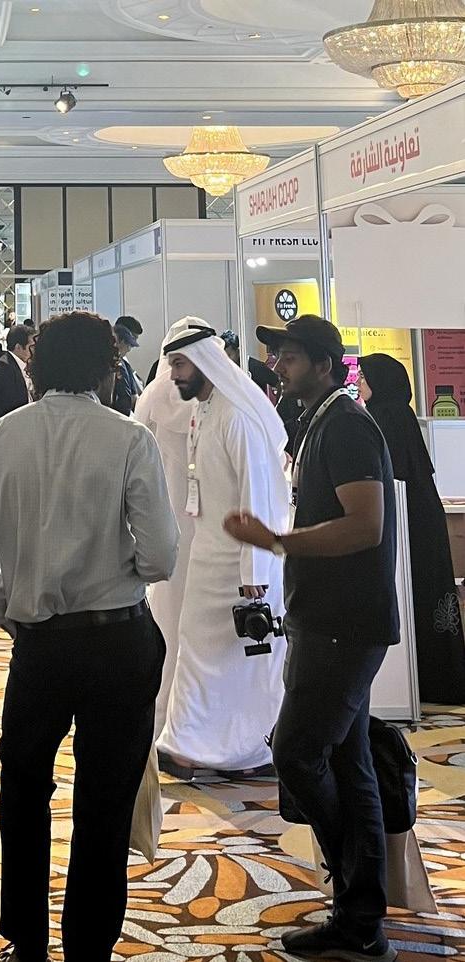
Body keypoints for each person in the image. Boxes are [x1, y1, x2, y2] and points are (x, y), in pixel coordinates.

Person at [0, 312, 178, 962]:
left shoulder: (1, 437)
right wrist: (117, 567)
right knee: (105, 800)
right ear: (107, 370)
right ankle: (89, 947)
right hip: (118, 640)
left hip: (38, 644)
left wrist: (7, 612)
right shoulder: (129, 438)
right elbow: (161, 557)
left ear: (35, 365)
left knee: (23, 790)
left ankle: (25, 940)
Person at [225, 315, 399, 962]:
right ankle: (359, 917)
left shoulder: (346, 425)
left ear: (324, 364)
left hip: (341, 625)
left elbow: (364, 526)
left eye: (290, 357)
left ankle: (356, 898)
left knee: (297, 754)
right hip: (327, 620)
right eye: (277, 356)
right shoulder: (321, 419)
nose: (277, 366)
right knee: (348, 767)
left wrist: (276, 542)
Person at [154, 318, 289, 778]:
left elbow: (259, 496)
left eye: (180, 365)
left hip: (241, 565)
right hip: (208, 554)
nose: (174, 375)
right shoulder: (204, 411)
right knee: (198, 651)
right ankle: (189, 744)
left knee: (244, 663)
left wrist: (255, 570)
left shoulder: (237, 417)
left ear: (205, 362)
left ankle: (243, 751)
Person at [359, 353, 465, 703]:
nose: (359, 383)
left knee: (416, 595)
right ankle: (438, 678)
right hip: (421, 521)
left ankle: (425, 681)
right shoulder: (397, 416)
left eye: (364, 377)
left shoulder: (383, 419)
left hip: (408, 526)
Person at [134, 321, 198, 741]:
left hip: (166, 511)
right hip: (192, 516)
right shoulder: (203, 399)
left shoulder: (153, 395)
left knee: (170, 608)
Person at [0, 324, 34, 424]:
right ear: (18, 347)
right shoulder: (5, 366)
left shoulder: (20, 363)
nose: (34, 350)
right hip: (12, 425)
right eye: (31, 347)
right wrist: (3, 418)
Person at [110, 320, 143, 416]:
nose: (129, 349)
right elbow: (127, 398)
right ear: (119, 342)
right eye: (128, 344)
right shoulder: (120, 365)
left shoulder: (121, 364)